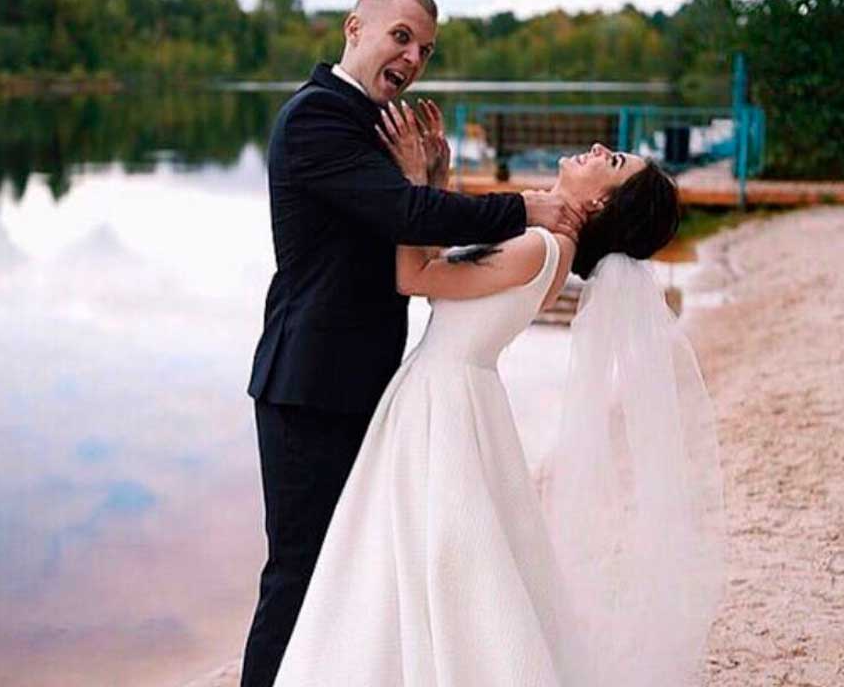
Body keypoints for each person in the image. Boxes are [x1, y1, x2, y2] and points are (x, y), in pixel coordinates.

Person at [269, 111, 727, 685]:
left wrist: (410, 183)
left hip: (444, 401)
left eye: (611, 161)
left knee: (429, 555)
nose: (596, 147)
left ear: (602, 203)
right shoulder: (548, 242)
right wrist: (434, 185)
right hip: (449, 393)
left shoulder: (542, 245)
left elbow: (416, 278)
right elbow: (439, 271)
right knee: (421, 553)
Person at [242, 0, 587, 687]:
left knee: (354, 570)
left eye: (425, 50)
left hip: (364, 379)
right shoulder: (317, 118)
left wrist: (428, 176)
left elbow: (410, 224)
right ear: (354, 29)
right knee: (299, 572)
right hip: (309, 384)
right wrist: (526, 207)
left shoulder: (371, 122)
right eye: (401, 37)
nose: (412, 58)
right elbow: (408, 216)